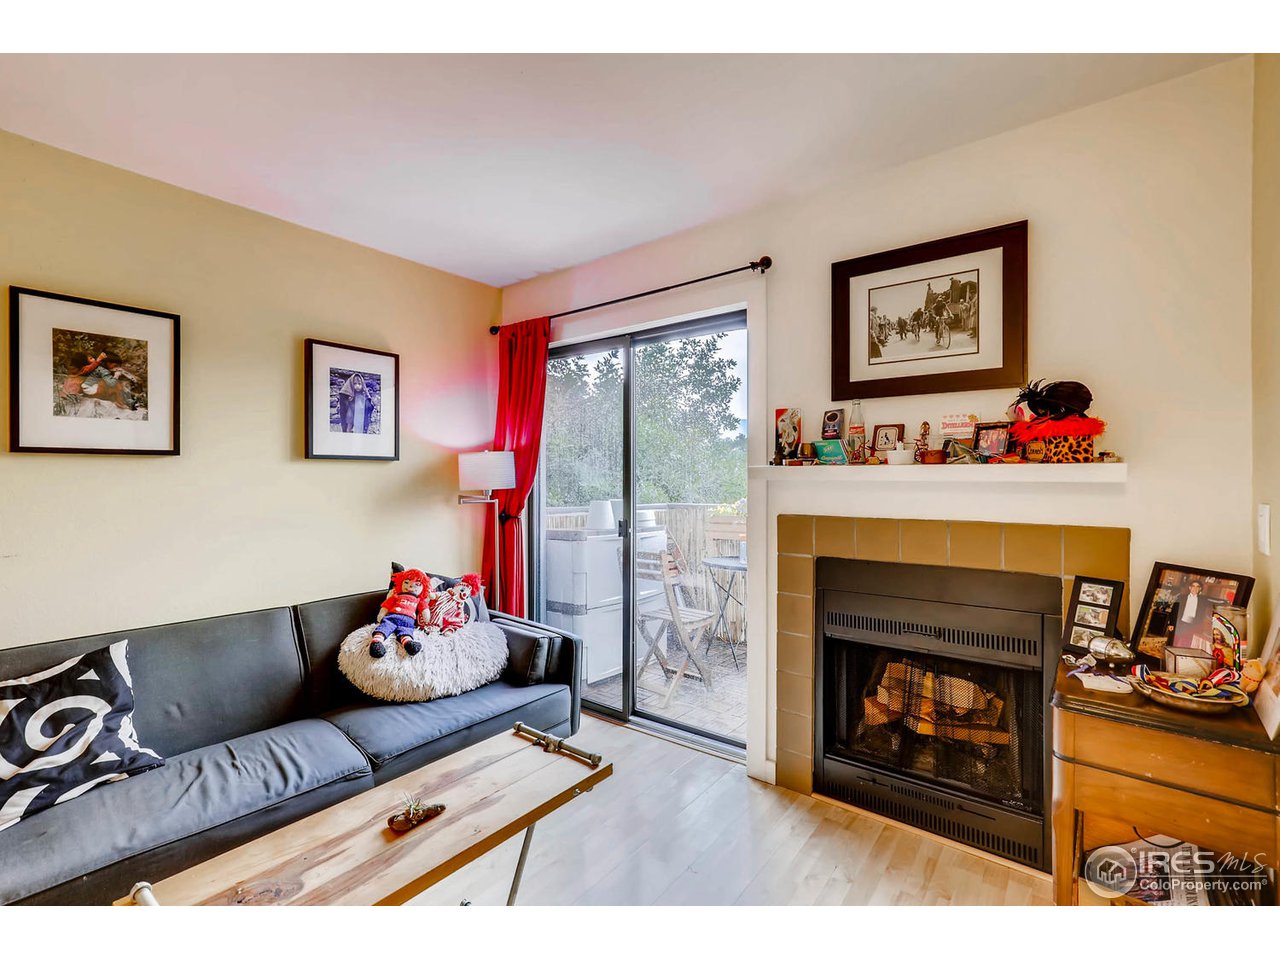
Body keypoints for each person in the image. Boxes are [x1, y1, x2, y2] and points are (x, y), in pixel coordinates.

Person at [1171, 580, 1213, 649]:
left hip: (1193, 625)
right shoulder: (1181, 597)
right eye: (1193, 586)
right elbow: (1174, 610)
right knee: (1174, 642)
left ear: (1200, 589)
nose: (1195, 588)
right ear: (1190, 588)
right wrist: (1171, 624)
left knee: (1187, 644)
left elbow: (1214, 604)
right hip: (1180, 623)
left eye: (1197, 587)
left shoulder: (1203, 600)